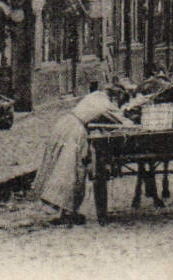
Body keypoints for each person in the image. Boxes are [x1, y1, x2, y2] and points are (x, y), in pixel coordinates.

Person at [33, 81, 137, 225]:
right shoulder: (106, 106)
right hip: (74, 132)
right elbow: (123, 122)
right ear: (115, 97)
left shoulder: (96, 95)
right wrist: (135, 121)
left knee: (61, 168)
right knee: (72, 171)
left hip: (64, 125)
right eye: (119, 101)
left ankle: (64, 211)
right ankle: (66, 213)